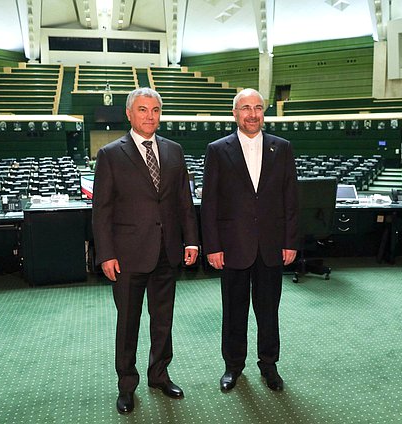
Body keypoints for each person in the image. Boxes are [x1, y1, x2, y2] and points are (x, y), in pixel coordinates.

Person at [92, 87, 199, 414]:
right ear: (129, 114)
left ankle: (159, 374)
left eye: (154, 110)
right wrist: (106, 254)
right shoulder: (110, 153)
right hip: (126, 256)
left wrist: (191, 240)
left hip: (167, 251)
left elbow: (184, 202)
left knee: (162, 320)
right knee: (128, 323)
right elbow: (102, 210)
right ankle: (126, 385)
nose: (149, 116)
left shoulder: (174, 151)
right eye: (142, 110)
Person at [201, 88, 299, 392]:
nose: (252, 114)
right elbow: (210, 204)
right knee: (234, 310)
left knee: (269, 310)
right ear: (235, 113)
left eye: (257, 107)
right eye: (245, 108)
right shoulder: (217, 150)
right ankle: (233, 366)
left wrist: (291, 241)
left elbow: (291, 200)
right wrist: (213, 246)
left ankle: (269, 365)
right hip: (232, 248)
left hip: (272, 246)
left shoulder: (282, 148)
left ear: (263, 112)